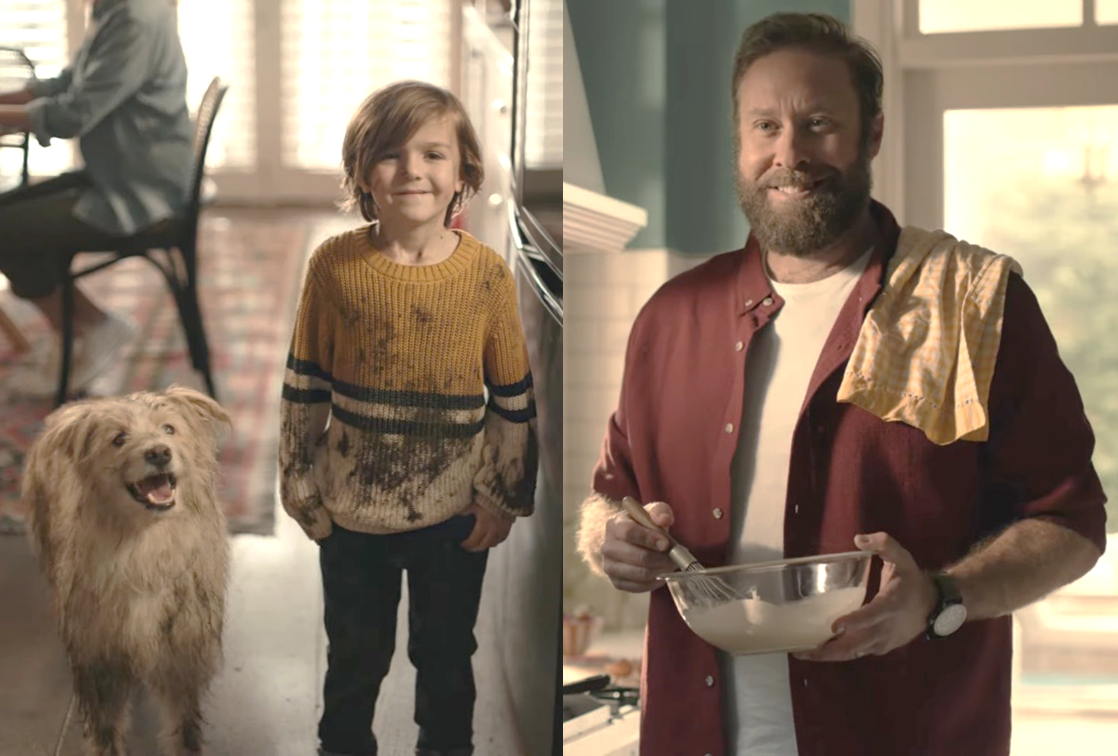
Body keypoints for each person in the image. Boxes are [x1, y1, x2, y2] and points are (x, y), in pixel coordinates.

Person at [577, 12, 1106, 756]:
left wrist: (940, 597)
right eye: (764, 126)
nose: (788, 153)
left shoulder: (975, 301)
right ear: (739, 139)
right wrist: (614, 542)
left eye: (818, 123)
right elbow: (611, 497)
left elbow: (1072, 524)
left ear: (874, 133)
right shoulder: (670, 317)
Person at [278, 80, 538, 756]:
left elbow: (512, 399)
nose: (413, 171)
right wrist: (298, 481)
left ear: (464, 175)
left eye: (433, 154)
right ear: (363, 173)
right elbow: (303, 385)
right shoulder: (333, 268)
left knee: (447, 662)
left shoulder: (485, 277)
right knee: (353, 665)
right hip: (351, 515)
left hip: (452, 517)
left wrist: (503, 497)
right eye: (391, 155)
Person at [0, 0, 192, 393]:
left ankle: (92, 328)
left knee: (5, 229)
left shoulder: (134, 17)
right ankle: (77, 333)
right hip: (118, 172)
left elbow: (76, 113)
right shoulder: (116, 8)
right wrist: (8, 104)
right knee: (10, 213)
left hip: (140, 191)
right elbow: (71, 82)